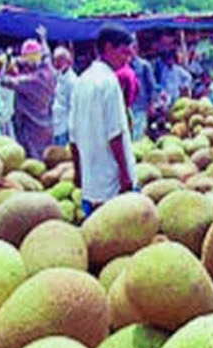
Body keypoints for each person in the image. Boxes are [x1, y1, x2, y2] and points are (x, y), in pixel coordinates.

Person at [69, 24, 136, 216]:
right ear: (108, 48)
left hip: (91, 182)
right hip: (111, 181)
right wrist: (125, 174)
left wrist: (77, 171)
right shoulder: (109, 81)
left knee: (95, 236)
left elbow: (73, 134)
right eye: (124, 53)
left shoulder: (82, 80)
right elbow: (114, 133)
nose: (127, 60)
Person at [0, 27, 56, 160]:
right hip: (47, 125)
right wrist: (43, 38)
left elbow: (2, 80)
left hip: (30, 129)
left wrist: (6, 60)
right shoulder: (49, 72)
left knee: (33, 164)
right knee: (48, 160)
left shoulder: (28, 81)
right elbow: (47, 54)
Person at [129, 44, 157, 140]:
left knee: (139, 134)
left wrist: (151, 104)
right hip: (129, 107)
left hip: (141, 106)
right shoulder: (123, 66)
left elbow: (151, 86)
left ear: (136, 49)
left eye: (131, 48)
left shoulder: (144, 65)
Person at [51, 47, 76, 146]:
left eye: (59, 60)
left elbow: (73, 106)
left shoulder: (72, 80)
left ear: (67, 61)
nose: (56, 64)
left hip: (65, 126)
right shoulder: (58, 76)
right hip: (55, 122)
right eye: (55, 60)